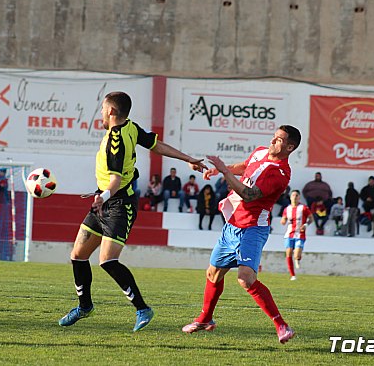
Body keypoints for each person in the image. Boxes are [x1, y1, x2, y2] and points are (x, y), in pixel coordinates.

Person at [58, 92, 205, 332]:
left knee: (107, 260)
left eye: (103, 109)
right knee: (78, 255)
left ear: (112, 111)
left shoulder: (116, 138)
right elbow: (156, 144)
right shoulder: (131, 127)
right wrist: (188, 158)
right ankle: (84, 307)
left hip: (119, 204)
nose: (101, 113)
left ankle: (142, 308)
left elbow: (115, 180)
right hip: (103, 201)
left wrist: (101, 197)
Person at [182, 125, 301, 345]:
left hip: (252, 228)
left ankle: (281, 325)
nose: (273, 141)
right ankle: (205, 318)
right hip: (231, 225)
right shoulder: (260, 151)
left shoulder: (280, 174)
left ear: (290, 147)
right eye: (274, 137)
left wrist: (224, 172)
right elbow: (246, 166)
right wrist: (221, 169)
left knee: (245, 279)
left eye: (279, 140)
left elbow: (248, 195)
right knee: (213, 273)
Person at [280, 190, 311, 280]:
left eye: (296, 195)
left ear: (299, 197)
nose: (294, 197)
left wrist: (306, 224)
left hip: (300, 234)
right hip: (289, 234)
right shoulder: (287, 209)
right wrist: (283, 221)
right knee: (288, 253)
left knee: (296, 255)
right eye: (293, 195)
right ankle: (292, 275)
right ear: (290, 197)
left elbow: (311, 218)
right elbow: (283, 220)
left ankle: (298, 259)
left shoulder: (303, 208)